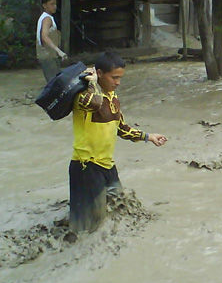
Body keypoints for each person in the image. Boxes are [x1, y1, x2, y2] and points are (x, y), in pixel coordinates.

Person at [69, 52, 167, 232]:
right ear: (99, 73)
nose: (118, 82)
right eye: (114, 77)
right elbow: (95, 103)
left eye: (120, 78)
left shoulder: (113, 98)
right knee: (90, 223)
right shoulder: (83, 96)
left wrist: (148, 136)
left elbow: (121, 128)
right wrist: (91, 82)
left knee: (118, 205)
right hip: (86, 166)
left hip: (107, 165)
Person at [36, 0, 67, 82]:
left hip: (48, 55)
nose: (55, 6)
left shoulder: (45, 17)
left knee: (55, 81)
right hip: (48, 55)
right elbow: (44, 36)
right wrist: (58, 51)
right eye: (52, 4)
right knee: (54, 82)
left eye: (55, 4)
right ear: (44, 5)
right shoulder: (47, 19)